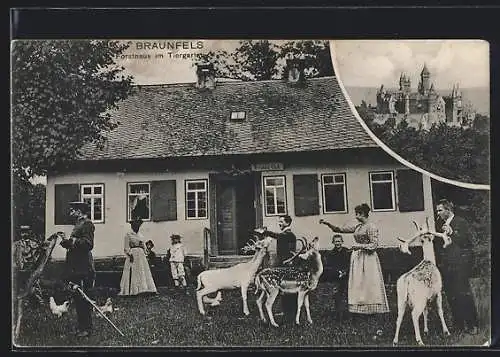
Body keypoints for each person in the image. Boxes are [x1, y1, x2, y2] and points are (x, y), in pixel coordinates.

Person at [320, 203, 389, 315]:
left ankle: (372, 307)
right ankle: (360, 306)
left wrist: (359, 246)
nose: (356, 216)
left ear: (364, 214)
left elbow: (374, 245)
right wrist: (328, 224)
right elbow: (340, 229)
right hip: (358, 257)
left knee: (369, 281)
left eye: (358, 214)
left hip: (368, 258)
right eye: (356, 214)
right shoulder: (358, 227)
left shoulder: (371, 227)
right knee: (358, 281)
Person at [434, 199, 478, 334]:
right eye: (437, 210)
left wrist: (453, 232)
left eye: (440, 210)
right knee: (451, 295)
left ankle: (472, 325)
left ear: (448, 210)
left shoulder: (461, 222)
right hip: (446, 265)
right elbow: (438, 245)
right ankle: (458, 325)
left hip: (460, 265)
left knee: (463, 293)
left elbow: (467, 242)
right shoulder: (438, 224)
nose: (438, 213)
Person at [60, 201, 96, 338]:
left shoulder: (87, 224)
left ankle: (87, 328)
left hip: (84, 267)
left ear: (80, 211)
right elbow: (74, 245)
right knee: (78, 297)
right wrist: (66, 241)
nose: (70, 212)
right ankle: (82, 327)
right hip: (75, 267)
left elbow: (88, 244)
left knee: (84, 297)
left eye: (73, 210)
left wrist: (73, 241)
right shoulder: (78, 224)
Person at [262, 215, 298, 322]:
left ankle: (291, 313)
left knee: (289, 288)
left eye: (281, 222)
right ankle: (287, 312)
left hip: (288, 264)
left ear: (287, 223)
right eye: (279, 221)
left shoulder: (289, 235)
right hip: (283, 264)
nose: (279, 223)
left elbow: (279, 237)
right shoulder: (285, 234)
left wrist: (266, 232)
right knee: (284, 288)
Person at [118, 218, 157, 296]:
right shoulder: (128, 235)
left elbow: (144, 246)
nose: (137, 226)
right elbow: (126, 247)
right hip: (133, 254)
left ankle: (143, 289)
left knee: (142, 271)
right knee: (133, 271)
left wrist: (146, 251)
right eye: (135, 225)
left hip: (141, 255)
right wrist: (129, 254)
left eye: (138, 225)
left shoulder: (141, 235)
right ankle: (133, 290)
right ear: (132, 226)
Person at [323, 234, 351, 322]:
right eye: (336, 241)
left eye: (339, 241)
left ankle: (348, 314)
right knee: (337, 295)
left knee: (346, 295)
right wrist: (338, 272)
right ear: (333, 242)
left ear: (342, 242)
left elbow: (350, 264)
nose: (337, 243)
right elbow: (329, 266)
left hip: (346, 277)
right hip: (336, 277)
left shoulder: (347, 252)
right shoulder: (330, 254)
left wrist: (345, 271)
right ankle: (338, 315)